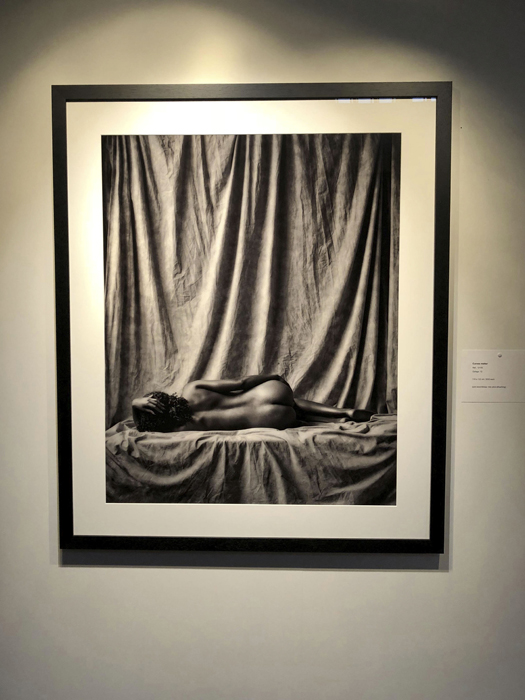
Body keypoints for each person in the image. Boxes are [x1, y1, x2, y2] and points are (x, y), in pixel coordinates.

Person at [132, 374, 374, 432]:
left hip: (269, 419)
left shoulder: (179, 428)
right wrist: (273, 377)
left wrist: (135, 404)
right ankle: (343, 412)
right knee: (294, 402)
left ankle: (332, 422)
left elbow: (142, 428)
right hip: (269, 393)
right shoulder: (192, 388)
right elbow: (241, 382)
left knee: (296, 417)